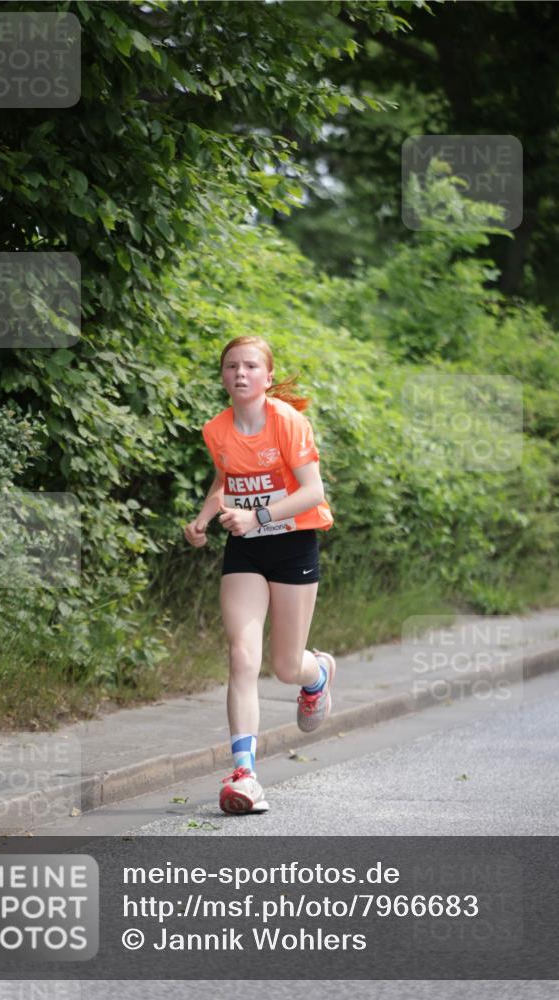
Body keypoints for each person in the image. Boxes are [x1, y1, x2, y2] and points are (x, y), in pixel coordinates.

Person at [184, 335, 336, 815]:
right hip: (245, 550)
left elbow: (313, 492)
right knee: (242, 656)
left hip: (293, 546)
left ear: (267, 378)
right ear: (224, 376)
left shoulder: (287, 421)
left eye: (251, 366)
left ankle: (319, 675)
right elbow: (226, 479)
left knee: (286, 667)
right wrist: (205, 518)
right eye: (232, 366)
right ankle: (245, 774)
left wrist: (260, 517)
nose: (241, 373)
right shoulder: (217, 429)